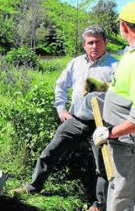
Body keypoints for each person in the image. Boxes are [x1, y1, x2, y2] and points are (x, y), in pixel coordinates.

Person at [13, 25, 118, 211]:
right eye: (90, 42)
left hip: (101, 124)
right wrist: (61, 108)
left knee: (102, 166)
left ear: (105, 43)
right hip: (75, 120)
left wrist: (99, 86)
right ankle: (33, 187)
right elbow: (60, 86)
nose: (94, 46)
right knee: (50, 152)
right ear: (84, 45)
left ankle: (99, 205)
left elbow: (122, 92)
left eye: (98, 42)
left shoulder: (115, 66)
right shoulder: (75, 63)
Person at [93, 1, 135, 210]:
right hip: (126, 145)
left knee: (126, 200)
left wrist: (110, 133)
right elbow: (132, 89)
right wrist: (103, 86)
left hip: (133, 147)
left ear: (124, 26)